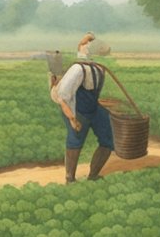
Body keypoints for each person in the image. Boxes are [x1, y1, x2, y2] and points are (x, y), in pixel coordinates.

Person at [47, 40, 113, 183]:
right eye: (87, 44)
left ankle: (93, 175)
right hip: (78, 109)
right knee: (75, 140)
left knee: (109, 138)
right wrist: (72, 118)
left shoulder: (99, 68)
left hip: (93, 107)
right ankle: (70, 179)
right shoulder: (77, 69)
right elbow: (63, 96)